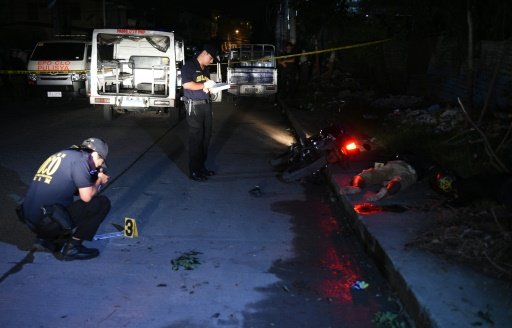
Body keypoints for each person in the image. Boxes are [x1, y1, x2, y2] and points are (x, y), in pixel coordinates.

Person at [16, 138, 111, 261]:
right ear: (95, 154)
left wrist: (91, 177)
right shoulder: (81, 160)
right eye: (100, 162)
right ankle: (73, 248)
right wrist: (99, 181)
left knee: (64, 201)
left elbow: (73, 188)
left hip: (31, 218)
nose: (98, 166)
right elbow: (86, 197)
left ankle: (45, 239)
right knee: (101, 203)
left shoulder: (65, 155)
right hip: (46, 222)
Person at [181, 44, 220, 181]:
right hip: (194, 107)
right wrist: (204, 86)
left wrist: (211, 88)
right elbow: (187, 85)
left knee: (206, 138)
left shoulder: (205, 69)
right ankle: (194, 171)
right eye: (211, 58)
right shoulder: (189, 66)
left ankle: (201, 167)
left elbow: (206, 86)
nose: (212, 61)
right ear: (204, 53)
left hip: (206, 106)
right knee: (196, 139)